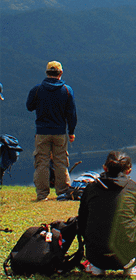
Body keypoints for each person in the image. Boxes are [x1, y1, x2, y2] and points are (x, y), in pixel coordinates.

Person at [78, 151, 136, 276]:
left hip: (95, 257)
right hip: (125, 259)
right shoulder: (134, 188)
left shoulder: (91, 188)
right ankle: (131, 266)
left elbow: (82, 221)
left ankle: (97, 267)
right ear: (129, 170)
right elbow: (130, 217)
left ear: (104, 167)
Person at [26, 61, 78, 201]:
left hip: (42, 132)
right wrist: (71, 131)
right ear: (60, 73)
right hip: (60, 132)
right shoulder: (67, 90)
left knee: (41, 162)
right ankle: (62, 192)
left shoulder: (37, 89)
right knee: (61, 162)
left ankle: (42, 194)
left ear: (47, 73)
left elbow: (29, 106)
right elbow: (71, 114)